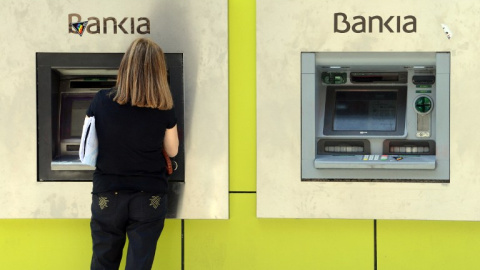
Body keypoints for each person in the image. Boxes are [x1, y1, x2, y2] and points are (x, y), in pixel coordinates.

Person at [87, 38, 179, 270]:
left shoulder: (100, 100)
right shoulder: (164, 107)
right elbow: (172, 150)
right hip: (148, 196)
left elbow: (89, 145)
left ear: (126, 66)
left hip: (108, 194)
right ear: (158, 71)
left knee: (103, 262)